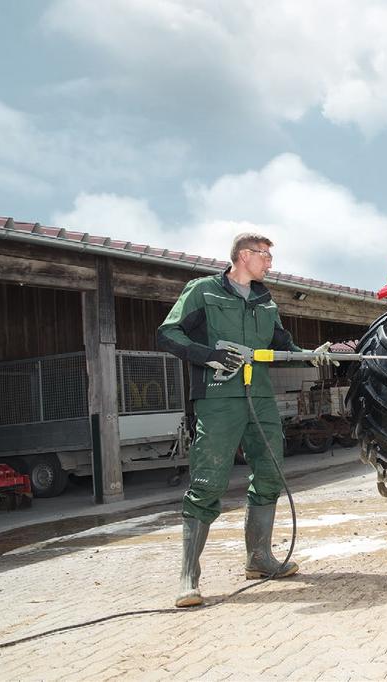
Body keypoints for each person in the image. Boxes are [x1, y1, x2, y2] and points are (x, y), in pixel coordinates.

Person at [158, 232, 324, 608]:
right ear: (244, 255)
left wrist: (314, 354)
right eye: (264, 256)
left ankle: (259, 559)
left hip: (261, 398)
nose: (270, 263)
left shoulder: (266, 303)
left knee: (270, 472)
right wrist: (207, 355)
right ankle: (189, 577)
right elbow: (168, 334)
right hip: (218, 399)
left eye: (269, 256)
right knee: (208, 480)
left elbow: (283, 346)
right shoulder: (204, 292)